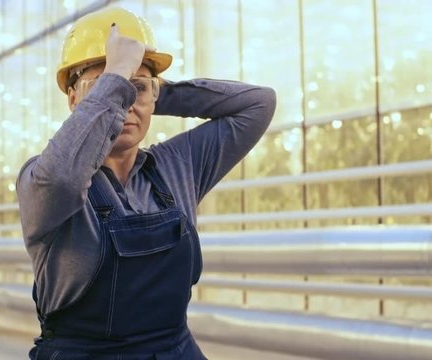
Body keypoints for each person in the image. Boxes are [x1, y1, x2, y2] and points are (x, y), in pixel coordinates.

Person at [16, 6, 276, 360]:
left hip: (174, 351)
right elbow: (64, 175)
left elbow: (258, 104)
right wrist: (120, 76)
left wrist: (146, 90)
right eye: (102, 88)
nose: (124, 104)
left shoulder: (176, 166)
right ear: (74, 100)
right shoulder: (41, 181)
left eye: (138, 89)